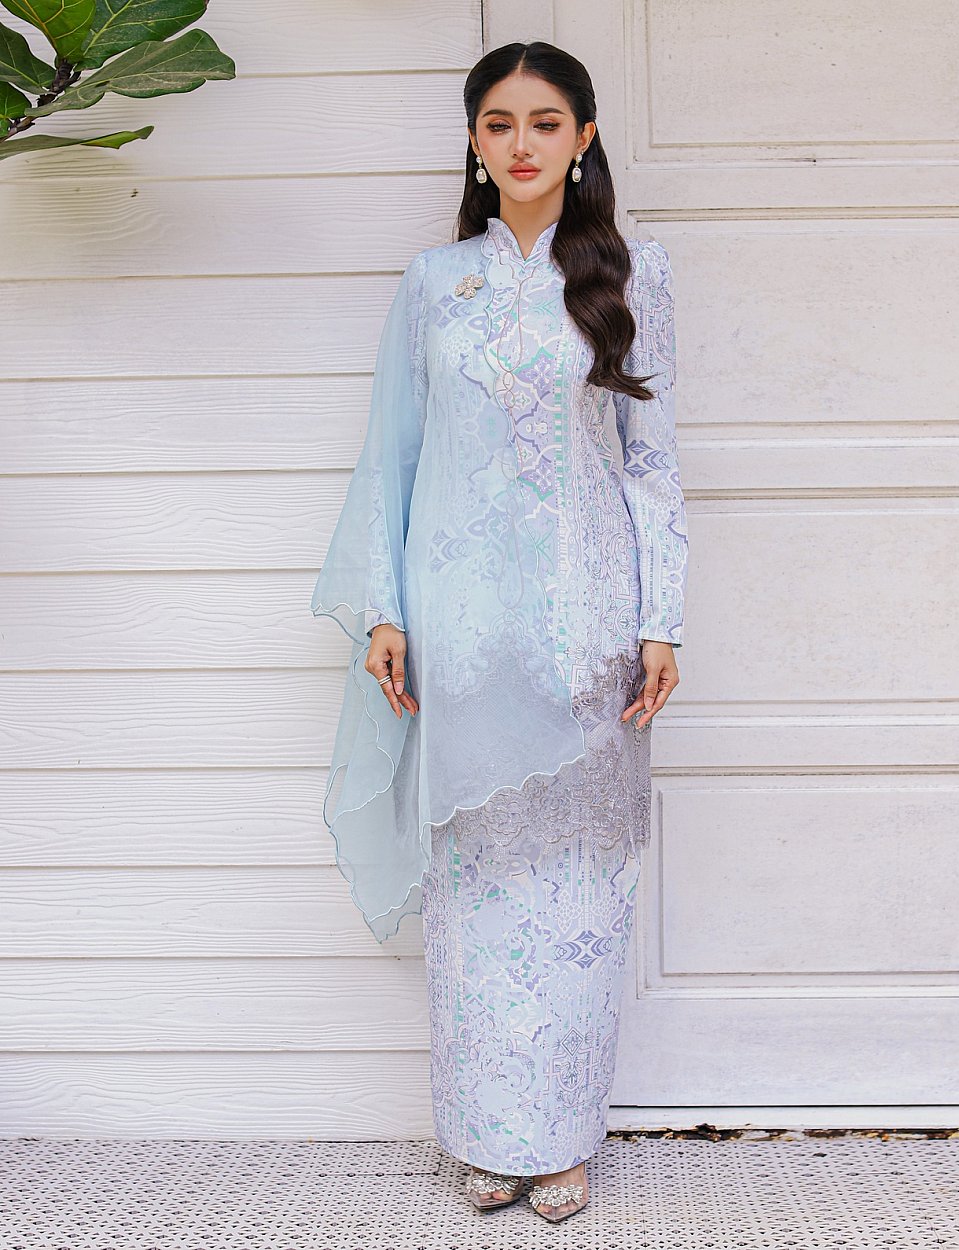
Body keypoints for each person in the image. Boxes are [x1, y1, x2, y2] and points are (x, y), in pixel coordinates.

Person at [311, 40, 688, 1224]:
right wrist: (384, 607)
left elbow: (651, 461)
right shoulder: (435, 283)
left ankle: (561, 1138)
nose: (521, 143)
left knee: (579, 882)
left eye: (545, 121)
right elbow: (391, 454)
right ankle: (484, 1134)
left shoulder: (633, 272)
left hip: (588, 627)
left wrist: (662, 618)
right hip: (462, 630)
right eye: (498, 123)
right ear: (475, 143)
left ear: (583, 138)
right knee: (475, 886)